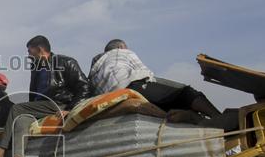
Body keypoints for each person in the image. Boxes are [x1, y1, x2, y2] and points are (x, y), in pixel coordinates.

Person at [0, 35, 91, 157]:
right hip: (41, 107)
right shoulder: (36, 69)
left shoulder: (65, 62)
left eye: (30, 51)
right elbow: (33, 95)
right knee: (21, 120)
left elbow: (84, 86)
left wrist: (70, 108)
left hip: (58, 103)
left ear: (39, 49)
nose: (28, 55)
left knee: (16, 108)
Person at [90, 39, 221, 121]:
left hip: (109, 100)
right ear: (121, 47)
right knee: (186, 93)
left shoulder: (95, 68)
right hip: (131, 86)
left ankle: (186, 116)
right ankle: (218, 118)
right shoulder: (123, 53)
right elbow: (144, 73)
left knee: (164, 101)